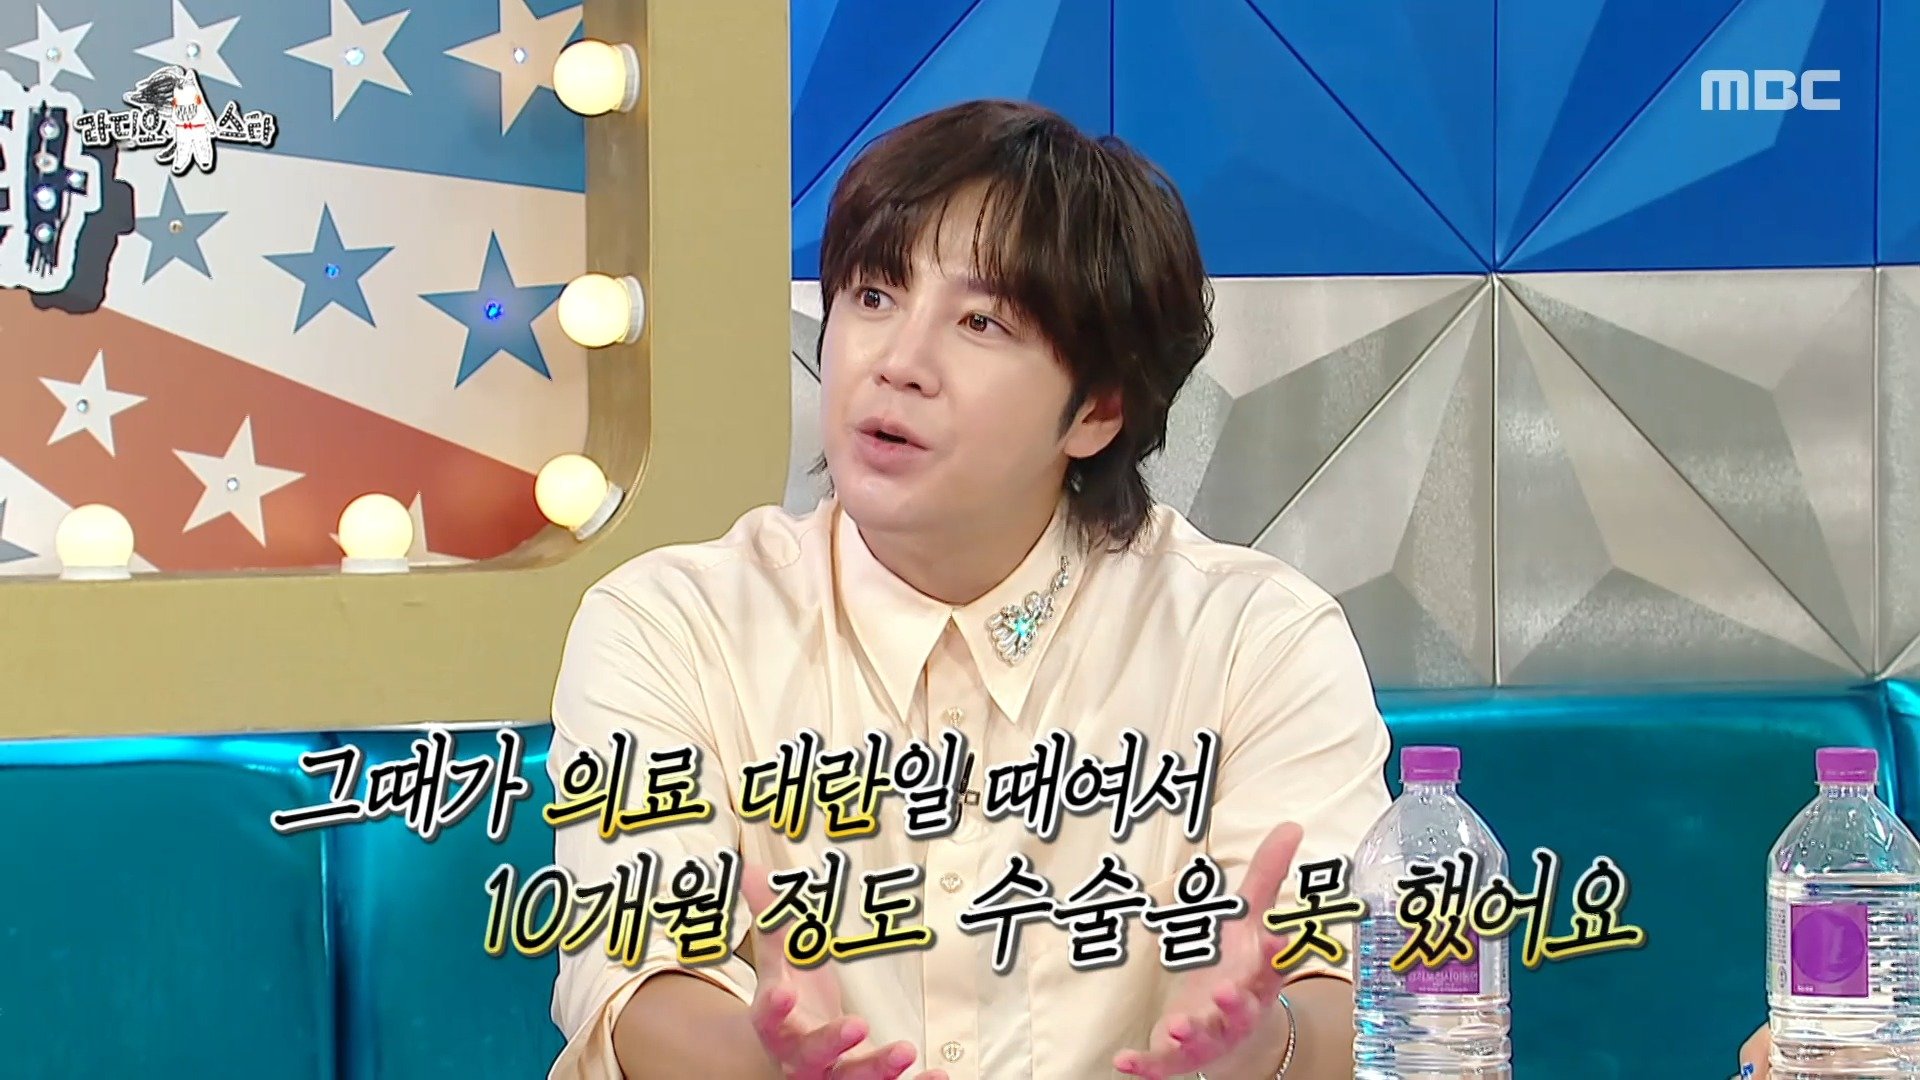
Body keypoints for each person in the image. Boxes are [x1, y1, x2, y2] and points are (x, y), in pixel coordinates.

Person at [544, 98, 1393, 1080]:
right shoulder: (668, 625)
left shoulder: (1256, 641)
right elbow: (633, 983)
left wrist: (1261, 1039)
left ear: (1098, 409)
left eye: (981, 321)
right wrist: (773, 1060)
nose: (898, 364)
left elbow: (1345, 998)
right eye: (873, 296)